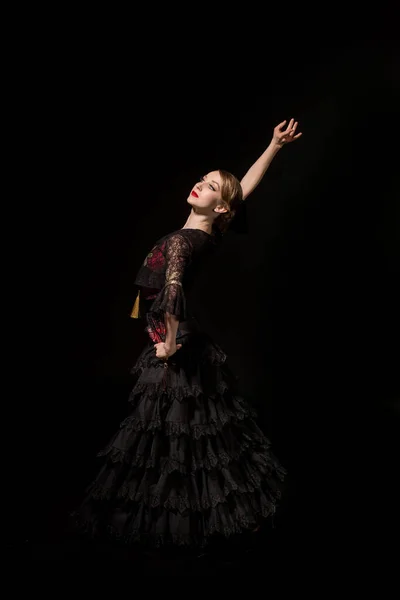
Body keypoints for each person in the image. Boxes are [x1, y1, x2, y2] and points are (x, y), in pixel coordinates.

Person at [71, 119, 302, 550]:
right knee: (197, 433)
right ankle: (223, 513)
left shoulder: (181, 242)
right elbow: (241, 193)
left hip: (174, 347)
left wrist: (170, 344)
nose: (200, 185)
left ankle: (182, 520)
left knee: (168, 435)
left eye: (210, 186)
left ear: (220, 208)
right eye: (202, 179)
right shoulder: (208, 234)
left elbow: (172, 294)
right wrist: (273, 146)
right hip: (185, 344)